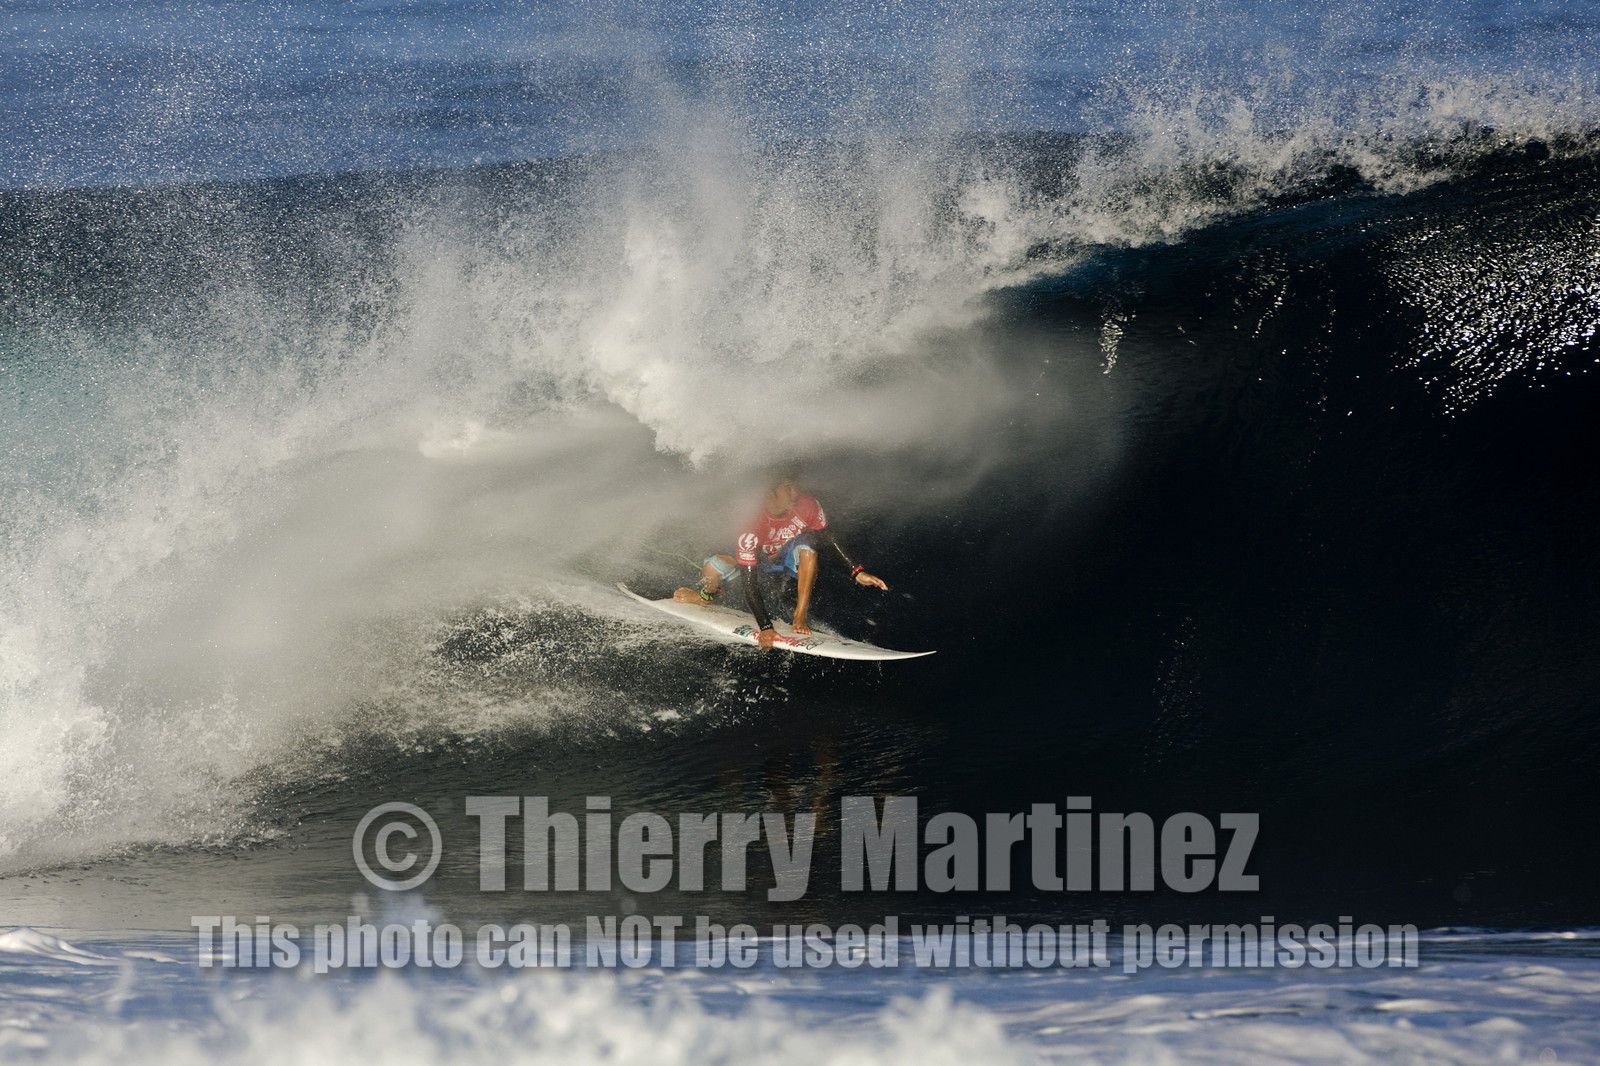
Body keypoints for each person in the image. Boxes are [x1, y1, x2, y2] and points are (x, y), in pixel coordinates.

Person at [673, 474, 888, 648]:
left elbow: (827, 537)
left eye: (795, 487)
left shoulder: (807, 505)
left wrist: (857, 571)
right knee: (712, 568)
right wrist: (765, 627)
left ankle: (800, 614)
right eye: (788, 488)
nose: (796, 493)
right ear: (770, 493)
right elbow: (749, 581)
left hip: (784, 554)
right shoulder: (751, 522)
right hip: (755, 556)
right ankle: (705, 597)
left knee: (808, 548)